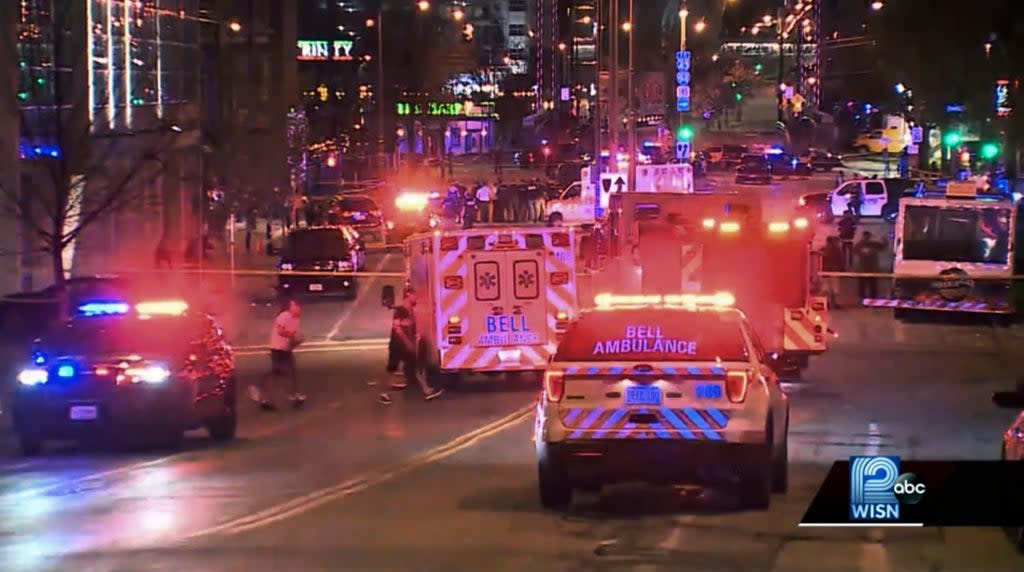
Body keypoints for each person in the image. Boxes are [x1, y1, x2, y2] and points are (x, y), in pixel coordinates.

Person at [378, 287, 444, 404]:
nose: (416, 298)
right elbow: (397, 329)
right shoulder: (402, 310)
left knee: (415, 367)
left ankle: (426, 390)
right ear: (408, 295)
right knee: (392, 369)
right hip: (398, 346)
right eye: (414, 295)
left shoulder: (409, 310)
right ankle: (383, 393)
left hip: (404, 345)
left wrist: (414, 338)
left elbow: (408, 328)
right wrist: (409, 344)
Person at [249, 298, 305, 410]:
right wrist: (292, 337)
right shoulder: (284, 316)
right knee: (278, 373)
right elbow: (280, 331)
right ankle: (262, 394)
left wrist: (297, 342)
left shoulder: (296, 319)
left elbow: (291, 338)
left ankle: (294, 395)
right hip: (278, 349)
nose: (298, 309)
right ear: (291, 307)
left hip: (285, 349)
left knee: (290, 372)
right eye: (295, 306)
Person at [853, 231, 887, 301]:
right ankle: (864, 299)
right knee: (863, 285)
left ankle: (871, 299)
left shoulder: (872, 244)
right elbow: (854, 251)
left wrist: (884, 239)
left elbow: (883, 246)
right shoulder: (861, 245)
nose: (867, 238)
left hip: (871, 268)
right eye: (866, 237)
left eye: (868, 237)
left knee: (872, 285)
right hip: (864, 268)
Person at [820, 236, 845, 308]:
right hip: (833, 271)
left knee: (827, 288)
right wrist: (841, 269)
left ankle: (827, 303)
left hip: (826, 271)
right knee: (834, 288)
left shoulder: (823, 249)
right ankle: (832, 303)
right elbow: (840, 260)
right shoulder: (837, 250)